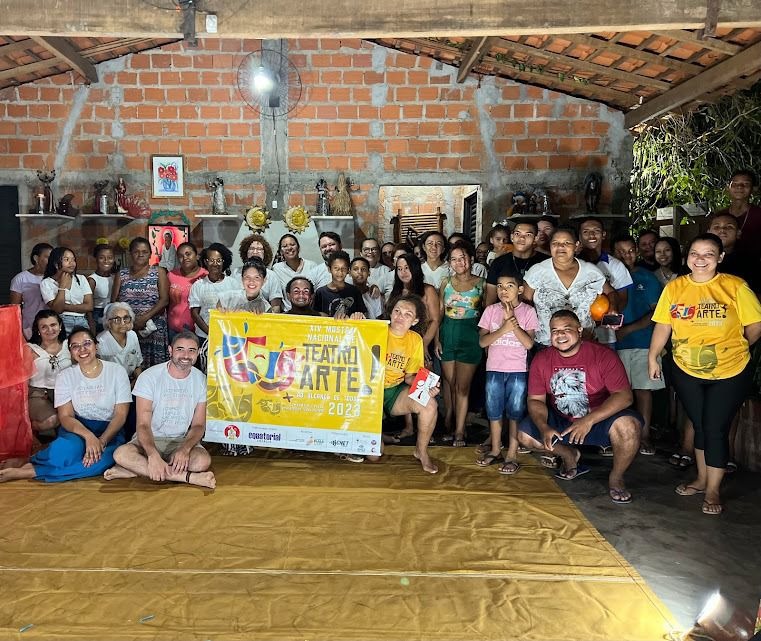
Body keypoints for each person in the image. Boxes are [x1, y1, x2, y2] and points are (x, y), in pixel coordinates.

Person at [648, 233, 761, 515]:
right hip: (686, 369)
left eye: (709, 253)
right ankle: (700, 479)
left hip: (731, 370)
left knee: (714, 428)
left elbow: (755, 325)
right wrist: (653, 356)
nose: (701, 259)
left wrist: (734, 347)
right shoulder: (675, 288)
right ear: (687, 258)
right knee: (700, 424)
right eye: (695, 253)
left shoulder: (735, 287)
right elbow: (664, 326)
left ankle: (712, 489)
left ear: (720, 258)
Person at [518, 310, 642, 503]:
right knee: (525, 436)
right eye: (555, 330)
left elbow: (624, 397)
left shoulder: (603, 356)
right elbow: (535, 400)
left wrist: (589, 420)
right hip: (563, 421)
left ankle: (616, 477)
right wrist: (544, 427)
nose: (560, 335)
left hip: (598, 419)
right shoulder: (541, 359)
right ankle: (569, 455)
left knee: (629, 426)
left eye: (566, 329)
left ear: (579, 329)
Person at [0, 327, 131, 484]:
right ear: (70, 352)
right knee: (63, 452)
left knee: (100, 462)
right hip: (78, 428)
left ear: (96, 345)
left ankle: (29, 471)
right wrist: (89, 436)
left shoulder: (117, 371)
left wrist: (101, 441)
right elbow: (66, 416)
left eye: (87, 343)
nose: (82, 349)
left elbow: (121, 415)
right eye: (75, 346)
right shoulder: (65, 376)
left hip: (111, 431)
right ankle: (31, 460)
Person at [105, 332, 215, 489]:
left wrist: (185, 449)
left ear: (198, 353)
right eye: (180, 349)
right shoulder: (149, 377)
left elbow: (198, 425)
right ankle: (187, 477)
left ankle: (137, 470)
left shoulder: (201, 380)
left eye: (191, 350)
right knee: (121, 454)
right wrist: (152, 455)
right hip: (150, 439)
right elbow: (143, 425)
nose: (186, 355)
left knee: (202, 462)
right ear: (170, 350)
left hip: (180, 440)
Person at [477, 274, 538, 474]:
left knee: (515, 412)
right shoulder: (491, 310)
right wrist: (504, 328)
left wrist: (513, 323)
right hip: (494, 368)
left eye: (509, 286)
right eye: (500, 286)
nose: (503, 290)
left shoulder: (528, 311)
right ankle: (495, 449)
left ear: (520, 290)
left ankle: (512, 453)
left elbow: (529, 344)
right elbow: (483, 342)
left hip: (517, 370)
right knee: (494, 411)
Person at [612, 235, 664, 455]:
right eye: (621, 252)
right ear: (613, 255)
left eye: (631, 250)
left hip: (644, 342)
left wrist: (629, 329)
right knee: (617, 392)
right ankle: (620, 436)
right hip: (614, 344)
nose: (627, 256)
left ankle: (643, 437)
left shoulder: (647, 277)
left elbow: (657, 312)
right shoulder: (608, 278)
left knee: (643, 391)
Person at [522, 227, 615, 347]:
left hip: (585, 341)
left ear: (576, 245)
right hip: (546, 343)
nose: (561, 247)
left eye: (566, 243)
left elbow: (611, 293)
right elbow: (524, 303)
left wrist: (613, 309)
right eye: (555, 243)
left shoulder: (591, 272)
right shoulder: (537, 271)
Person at [383, 295, 440, 474]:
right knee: (375, 455)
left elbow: (409, 377)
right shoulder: (376, 329)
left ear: (415, 320)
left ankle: (421, 451)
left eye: (408, 314)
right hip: (367, 392)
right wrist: (354, 319)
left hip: (393, 391)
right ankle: (378, 434)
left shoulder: (415, 339)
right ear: (390, 313)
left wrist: (427, 388)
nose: (400, 316)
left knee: (429, 404)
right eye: (397, 311)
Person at [435, 241, 484, 446]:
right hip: (448, 335)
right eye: (454, 259)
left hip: (471, 337)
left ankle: (460, 431)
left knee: (462, 387)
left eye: (462, 257)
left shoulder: (482, 283)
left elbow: (488, 313)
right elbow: (439, 313)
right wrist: (437, 339)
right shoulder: (445, 283)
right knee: (450, 383)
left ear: (470, 259)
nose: (459, 262)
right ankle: (450, 421)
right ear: (449, 263)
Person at [112, 237, 169, 368]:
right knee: (130, 366)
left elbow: (164, 300)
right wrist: (130, 322)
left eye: (144, 251)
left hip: (154, 328)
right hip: (127, 328)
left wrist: (144, 318)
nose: (140, 254)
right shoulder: (122, 274)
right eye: (136, 251)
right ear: (130, 253)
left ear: (150, 254)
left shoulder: (158, 272)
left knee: (154, 370)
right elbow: (114, 302)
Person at [577, 216, 633, 346]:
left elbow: (623, 299)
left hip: (606, 334)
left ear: (603, 235)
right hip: (577, 332)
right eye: (586, 232)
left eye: (596, 231)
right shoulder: (572, 263)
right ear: (579, 237)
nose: (591, 235)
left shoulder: (616, 265)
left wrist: (608, 315)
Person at [189, 243, 240, 370]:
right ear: (206, 262)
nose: (215, 264)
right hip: (204, 337)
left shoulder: (233, 283)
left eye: (218, 260)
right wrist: (210, 332)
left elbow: (239, 310)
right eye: (211, 260)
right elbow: (195, 313)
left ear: (224, 262)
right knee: (205, 371)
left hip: (228, 337)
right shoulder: (198, 285)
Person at [26, 310, 72, 434]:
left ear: (60, 326)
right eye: (44, 327)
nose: (49, 330)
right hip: (38, 394)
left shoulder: (70, 346)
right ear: (38, 330)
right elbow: (22, 380)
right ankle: (28, 431)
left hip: (67, 393)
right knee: (52, 420)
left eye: (53, 325)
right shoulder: (30, 349)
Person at [485, 220, 547, 306]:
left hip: (536, 316)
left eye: (528, 235)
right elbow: (490, 300)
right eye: (517, 234)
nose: (522, 238)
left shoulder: (545, 262)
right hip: (504, 315)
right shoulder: (499, 263)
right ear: (512, 237)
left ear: (535, 239)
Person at [40, 246, 94, 335]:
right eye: (67, 259)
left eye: (73, 260)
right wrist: (62, 288)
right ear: (56, 264)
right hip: (61, 321)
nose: (72, 263)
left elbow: (89, 306)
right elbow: (57, 310)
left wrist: (66, 306)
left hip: (82, 321)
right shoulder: (46, 283)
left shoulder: (81, 279)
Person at [10, 242, 53, 339]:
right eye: (47, 257)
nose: (51, 261)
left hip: (51, 327)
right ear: (36, 258)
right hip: (29, 327)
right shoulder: (21, 278)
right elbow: (14, 309)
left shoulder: (54, 278)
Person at [716, 169, 761, 257]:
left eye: (746, 184)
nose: (739, 187)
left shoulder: (758, 214)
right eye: (735, 184)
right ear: (728, 188)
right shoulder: (720, 216)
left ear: (754, 189)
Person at [167, 241, 207, 340]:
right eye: (180, 256)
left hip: (198, 332)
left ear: (197, 256)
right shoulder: (171, 275)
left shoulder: (205, 276)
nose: (185, 258)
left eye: (188, 254)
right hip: (173, 330)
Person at [708, 213, 757, 291]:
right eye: (716, 227)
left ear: (738, 233)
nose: (722, 230)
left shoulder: (750, 263)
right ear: (708, 232)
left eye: (729, 227)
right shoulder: (696, 259)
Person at [97, 302, 143, 384]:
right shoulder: (100, 341)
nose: (122, 323)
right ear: (108, 322)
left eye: (126, 318)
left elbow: (137, 365)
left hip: (131, 381)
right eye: (117, 319)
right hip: (110, 383)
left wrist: (138, 382)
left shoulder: (132, 335)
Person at [313, 251, 367, 319]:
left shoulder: (354, 291)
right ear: (329, 269)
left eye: (343, 268)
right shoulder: (320, 292)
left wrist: (358, 315)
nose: (340, 272)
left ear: (348, 270)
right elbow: (314, 316)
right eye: (336, 268)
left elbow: (363, 314)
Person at [271, 234, 319, 311]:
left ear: (298, 247)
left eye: (292, 244)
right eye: (285, 246)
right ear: (281, 251)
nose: (289, 248)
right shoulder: (277, 268)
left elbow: (316, 293)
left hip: (309, 314)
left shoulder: (312, 266)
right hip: (288, 315)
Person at [238, 234, 283, 312]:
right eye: (251, 248)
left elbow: (276, 307)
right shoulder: (236, 272)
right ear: (245, 252)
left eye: (259, 249)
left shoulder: (272, 275)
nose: (255, 252)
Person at [87, 243, 116, 334]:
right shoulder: (92, 280)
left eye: (110, 257)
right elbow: (87, 305)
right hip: (98, 315)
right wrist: (91, 322)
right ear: (96, 259)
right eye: (102, 257)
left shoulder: (115, 278)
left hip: (113, 314)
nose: (106, 261)